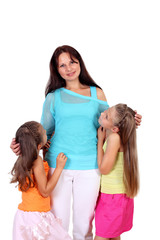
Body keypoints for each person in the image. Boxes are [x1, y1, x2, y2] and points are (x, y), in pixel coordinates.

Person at [10, 45, 142, 240]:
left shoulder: (97, 93)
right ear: (57, 70)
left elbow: (110, 123)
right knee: (57, 223)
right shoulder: (53, 97)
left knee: (84, 225)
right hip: (57, 166)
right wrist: (21, 147)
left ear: (80, 62)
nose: (69, 68)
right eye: (62, 65)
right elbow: (42, 133)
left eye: (72, 61)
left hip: (90, 166)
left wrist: (131, 121)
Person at [11, 121, 72, 240]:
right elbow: (44, 191)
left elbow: (37, 178)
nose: (46, 132)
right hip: (37, 216)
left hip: (23, 215)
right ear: (38, 145)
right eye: (44, 132)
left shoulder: (23, 158)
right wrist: (59, 167)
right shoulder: (36, 160)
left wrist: (44, 155)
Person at [94, 104, 139, 240]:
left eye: (106, 116)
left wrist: (100, 141)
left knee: (102, 235)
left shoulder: (114, 138)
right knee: (113, 235)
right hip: (119, 197)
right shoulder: (121, 135)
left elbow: (104, 169)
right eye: (106, 111)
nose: (102, 114)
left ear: (115, 128)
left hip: (112, 199)